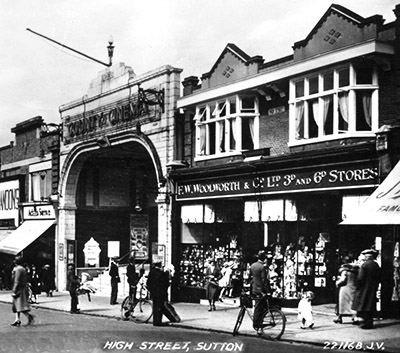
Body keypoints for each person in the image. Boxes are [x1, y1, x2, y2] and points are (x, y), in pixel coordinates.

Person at [352, 249, 380, 329]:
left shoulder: (364, 265)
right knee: (370, 305)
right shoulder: (376, 265)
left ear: (367, 256)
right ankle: (369, 322)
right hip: (372, 287)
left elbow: (360, 278)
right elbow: (379, 277)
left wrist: (357, 286)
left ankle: (364, 322)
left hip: (364, 288)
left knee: (363, 304)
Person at [249, 250, 270, 335]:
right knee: (261, 308)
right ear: (264, 258)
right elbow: (264, 281)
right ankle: (257, 324)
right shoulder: (263, 267)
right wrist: (267, 291)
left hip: (254, 288)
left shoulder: (253, 265)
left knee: (256, 306)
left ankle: (257, 324)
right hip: (261, 290)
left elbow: (251, 276)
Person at [10, 256, 35, 327]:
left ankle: (29, 317)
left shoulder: (18, 269)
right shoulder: (22, 269)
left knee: (20, 305)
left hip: (19, 289)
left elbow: (16, 281)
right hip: (22, 288)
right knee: (17, 305)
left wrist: (14, 290)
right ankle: (17, 319)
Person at [334, 256, 358, 324]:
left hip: (345, 288)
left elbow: (343, 280)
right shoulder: (355, 269)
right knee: (352, 302)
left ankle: (340, 317)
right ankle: (354, 317)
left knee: (342, 303)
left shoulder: (345, 270)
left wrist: (337, 283)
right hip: (353, 287)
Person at [146, 262, 170, 326]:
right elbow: (166, 284)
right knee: (160, 307)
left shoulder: (151, 272)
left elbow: (148, 283)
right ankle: (158, 321)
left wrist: (151, 290)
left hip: (154, 293)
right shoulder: (162, 273)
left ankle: (155, 321)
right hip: (160, 293)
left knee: (155, 306)